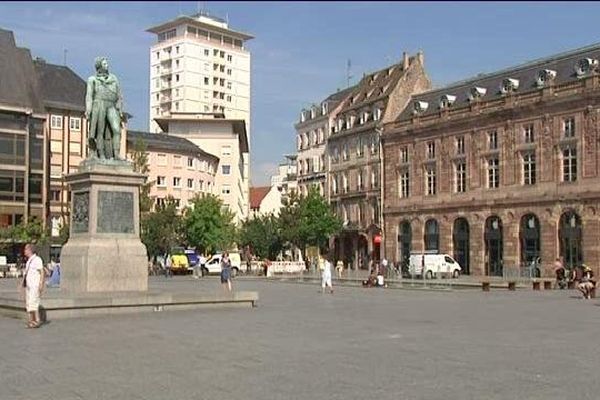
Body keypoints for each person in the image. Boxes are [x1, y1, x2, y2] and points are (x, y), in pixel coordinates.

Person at [20, 244, 45, 329]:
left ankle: (37, 320)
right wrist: (22, 284)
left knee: (33, 303)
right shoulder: (29, 261)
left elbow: (42, 271)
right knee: (29, 303)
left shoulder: (37, 259)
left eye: (25, 250)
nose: (24, 251)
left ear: (30, 250)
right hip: (29, 285)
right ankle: (31, 320)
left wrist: (41, 283)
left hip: (35, 285)